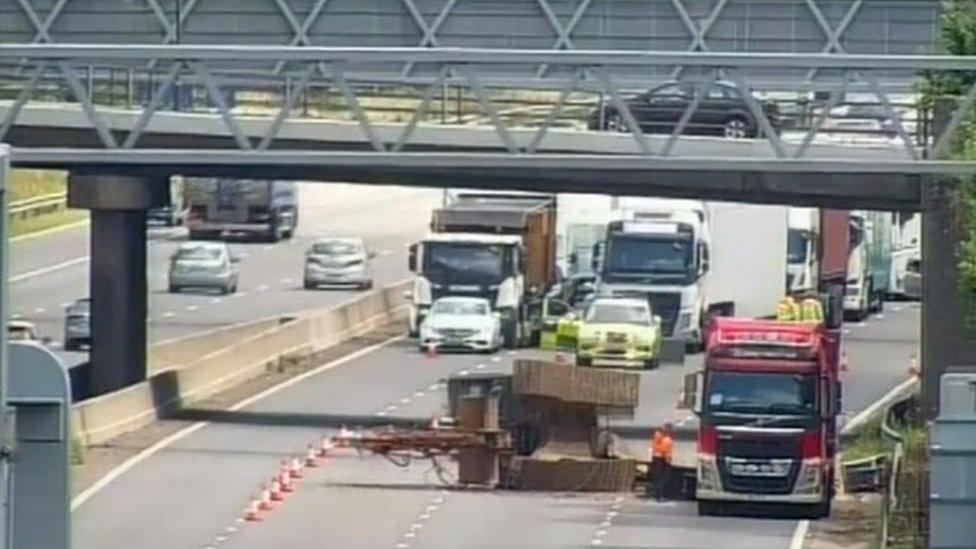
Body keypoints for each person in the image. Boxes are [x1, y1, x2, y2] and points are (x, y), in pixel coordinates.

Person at [649, 423, 675, 500]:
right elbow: (666, 451)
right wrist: (668, 460)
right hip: (662, 459)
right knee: (664, 478)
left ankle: (656, 495)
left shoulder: (657, 436)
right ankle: (661, 495)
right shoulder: (667, 440)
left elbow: (655, 447)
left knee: (657, 478)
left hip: (656, 458)